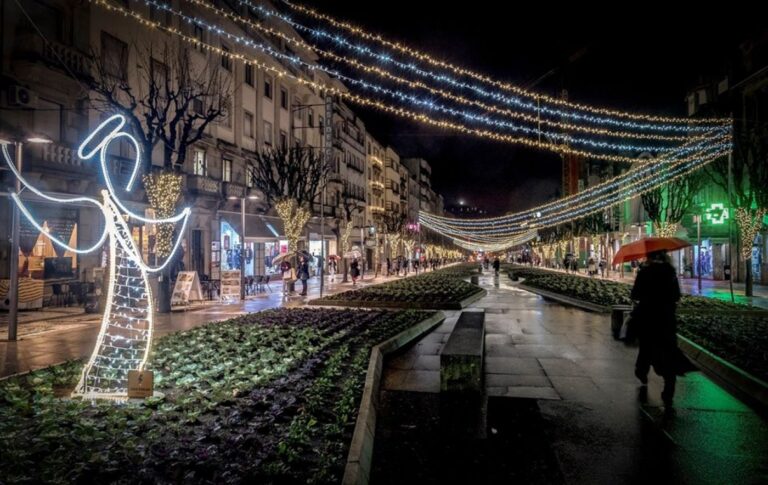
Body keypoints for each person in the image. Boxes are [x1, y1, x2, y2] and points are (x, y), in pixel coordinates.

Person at [630, 250, 696, 406]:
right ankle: (669, 388)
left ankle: (642, 371)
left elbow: (635, 294)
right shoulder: (670, 272)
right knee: (668, 350)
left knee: (646, 347)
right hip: (666, 318)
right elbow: (676, 296)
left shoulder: (645, 272)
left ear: (650, 257)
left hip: (648, 316)